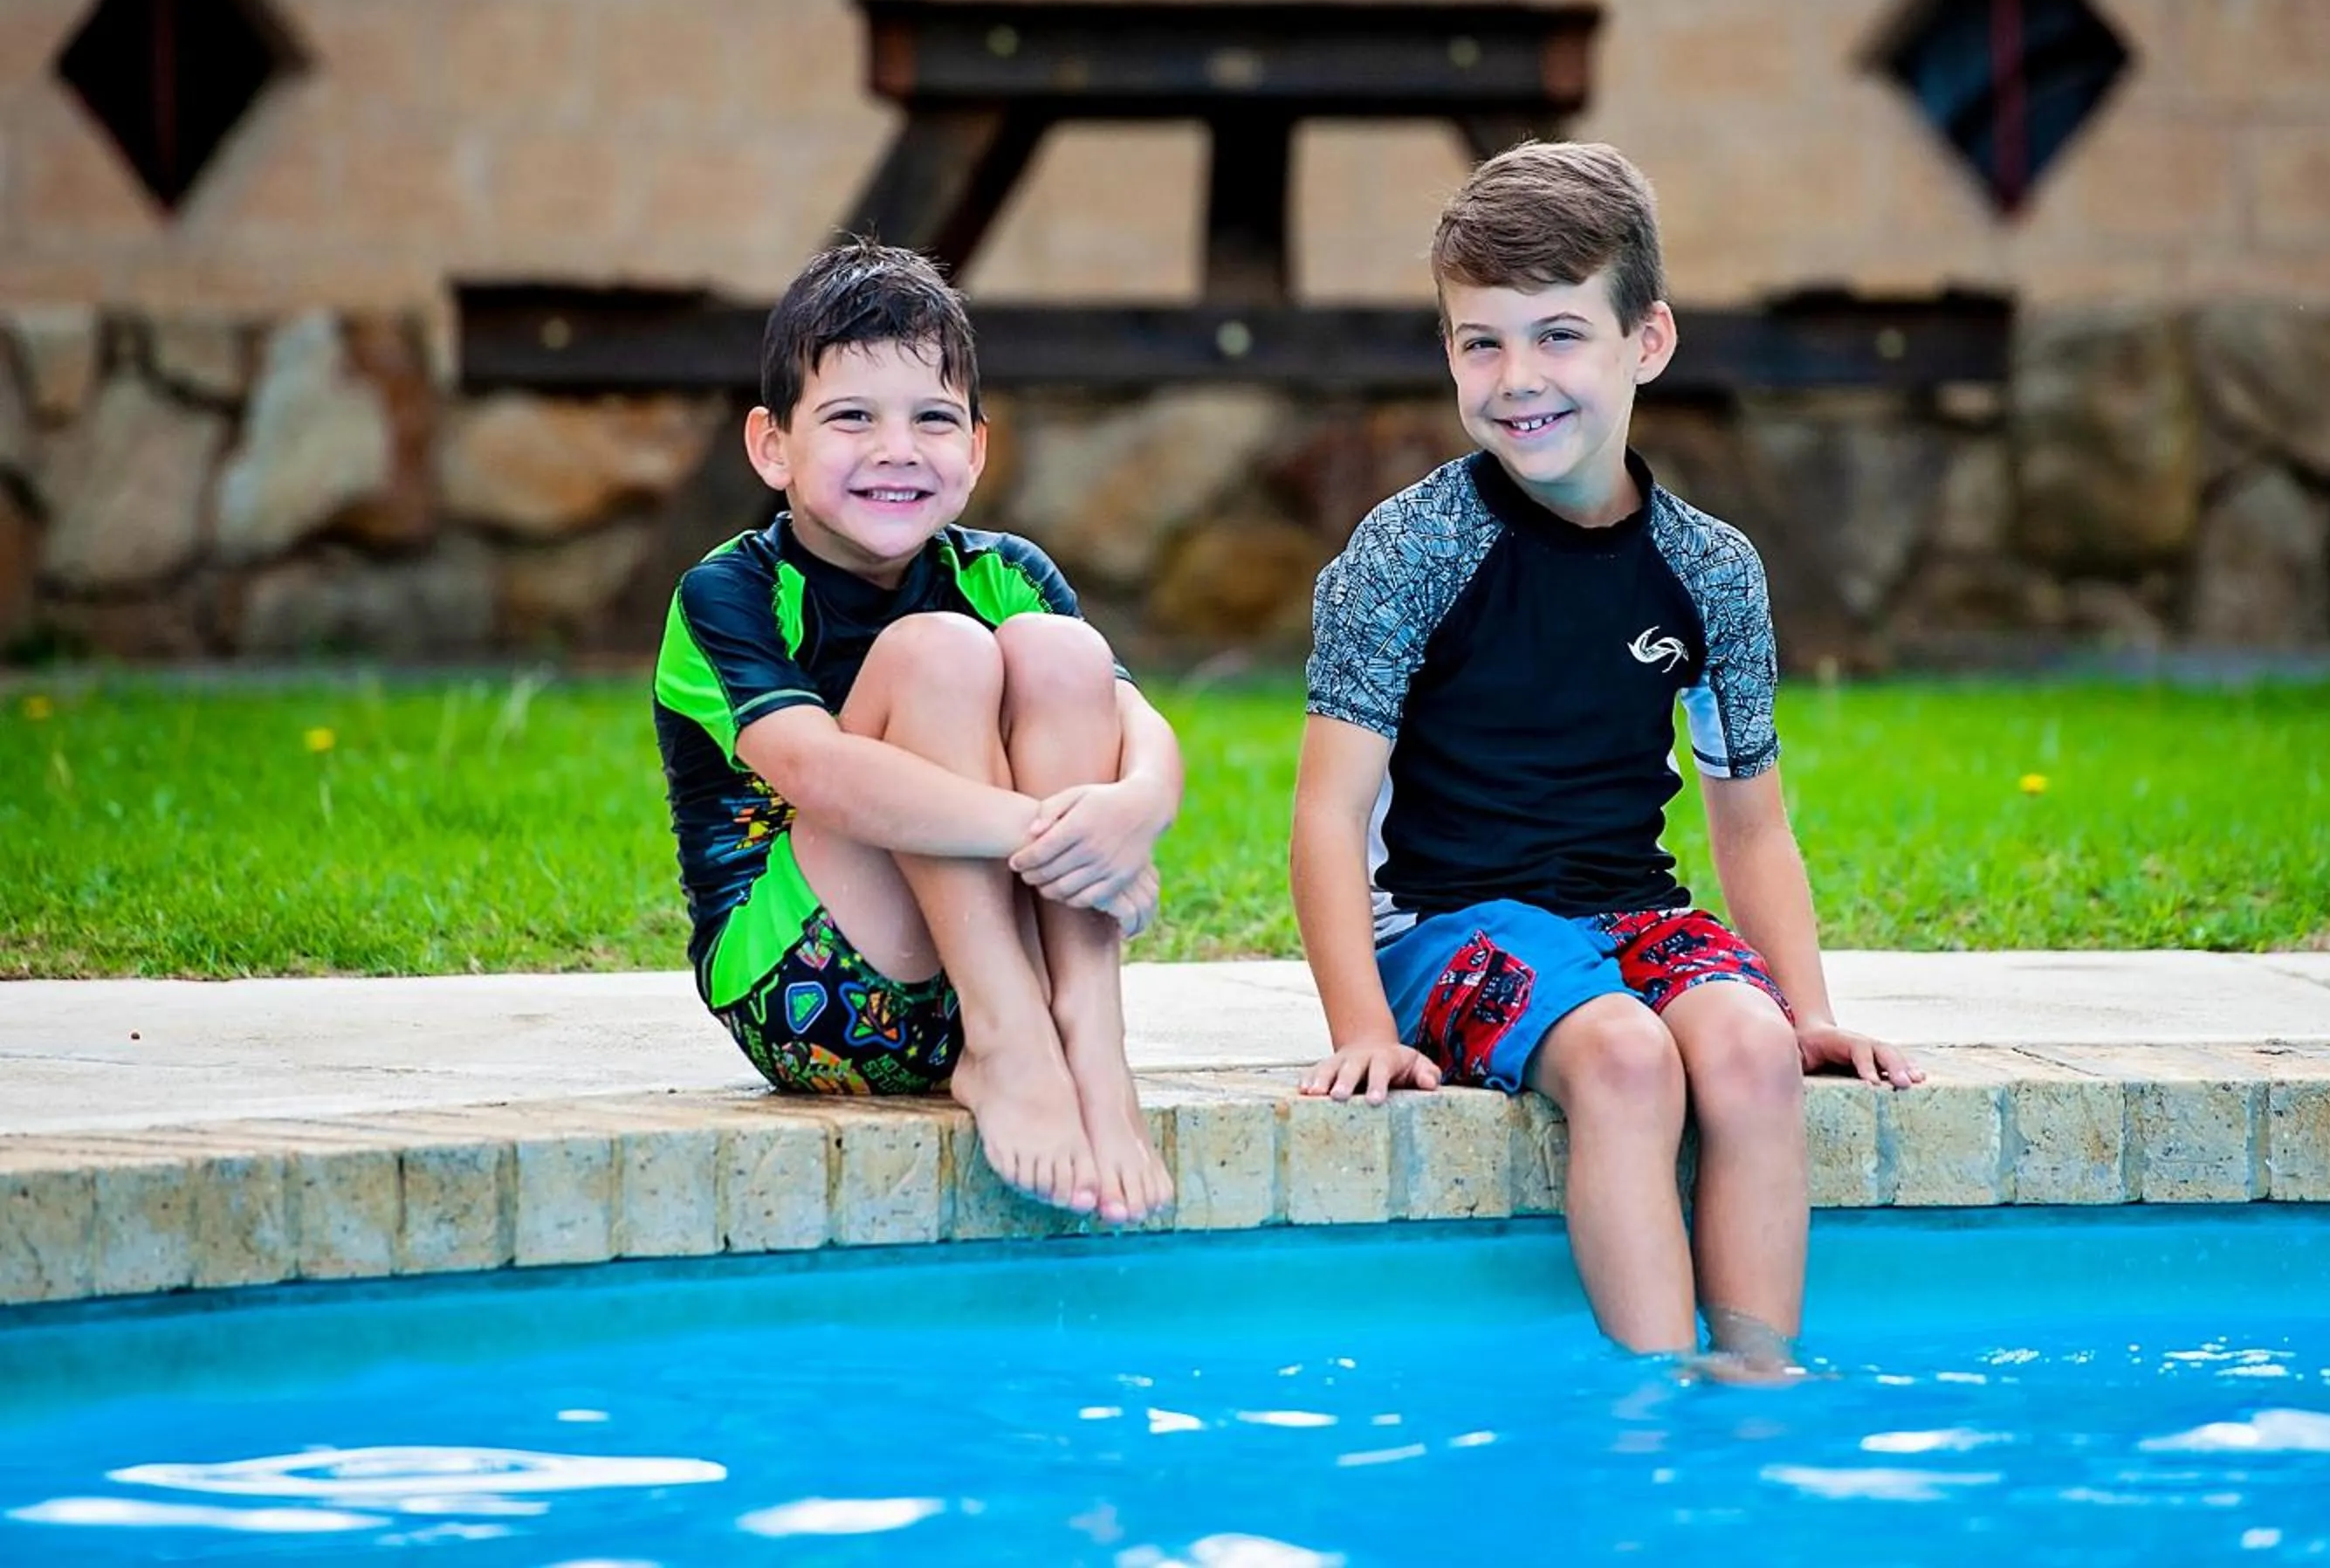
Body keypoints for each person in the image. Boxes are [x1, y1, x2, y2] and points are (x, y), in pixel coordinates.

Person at [1290, 141, 1921, 1365]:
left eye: (1560, 334)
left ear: (1649, 342)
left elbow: (1749, 820)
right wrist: (1362, 1027)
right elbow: (1327, 816)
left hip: (1626, 910)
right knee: (1629, 1060)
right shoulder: (1410, 550)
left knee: (1746, 1051)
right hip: (1441, 921)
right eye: (1482, 341)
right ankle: (1653, 1408)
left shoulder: (1711, 570)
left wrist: (1811, 1011)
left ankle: (1755, 1388)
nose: (1519, 377)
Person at [652, 237, 1178, 1226]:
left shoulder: (1006, 571)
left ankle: (1090, 1047)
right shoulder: (729, 593)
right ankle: (1014, 1040)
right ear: (773, 445)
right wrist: (1057, 833)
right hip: (816, 995)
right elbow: (820, 773)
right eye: (852, 417)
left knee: (1062, 653)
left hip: (1011, 979)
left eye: (933, 419)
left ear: (976, 449)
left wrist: (1133, 808)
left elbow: (1137, 727)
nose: (898, 448)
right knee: (937, 652)